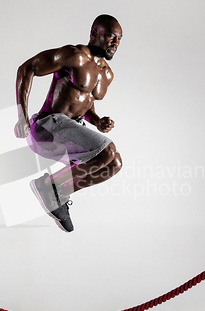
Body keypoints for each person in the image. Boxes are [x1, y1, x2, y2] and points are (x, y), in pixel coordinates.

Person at [14, 14, 123, 232]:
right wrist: (22, 117)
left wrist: (97, 120)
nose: (116, 43)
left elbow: (83, 103)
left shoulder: (107, 75)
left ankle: (59, 194)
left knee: (113, 164)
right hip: (47, 127)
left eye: (119, 39)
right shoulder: (75, 56)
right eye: (111, 36)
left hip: (70, 130)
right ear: (94, 33)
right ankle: (47, 186)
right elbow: (27, 68)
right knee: (107, 151)